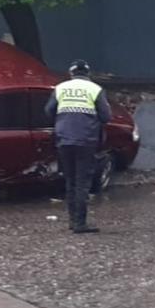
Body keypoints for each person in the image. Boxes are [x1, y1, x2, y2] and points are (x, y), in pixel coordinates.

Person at [45, 60, 112, 234]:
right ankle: (80, 224)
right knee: (82, 182)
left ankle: (72, 221)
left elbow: (48, 111)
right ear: (88, 73)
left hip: (64, 139)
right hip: (86, 140)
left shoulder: (60, 88)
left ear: (71, 73)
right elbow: (106, 116)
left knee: (71, 180)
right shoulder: (95, 89)